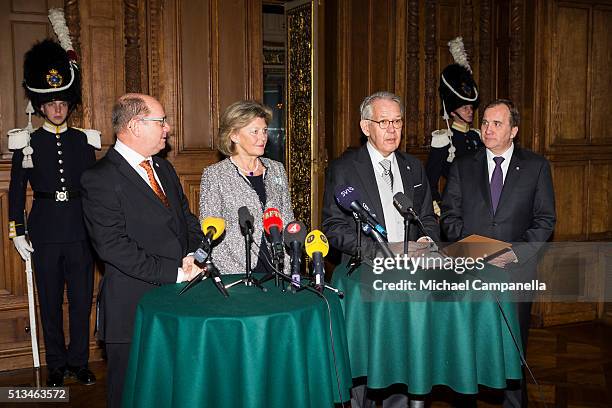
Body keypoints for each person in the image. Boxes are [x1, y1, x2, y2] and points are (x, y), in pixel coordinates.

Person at [80, 93, 204, 408]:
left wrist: (192, 255)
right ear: (136, 125)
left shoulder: (164, 169)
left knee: (175, 391)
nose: (168, 128)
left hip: (178, 303)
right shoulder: (99, 178)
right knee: (131, 395)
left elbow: (187, 221)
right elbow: (114, 247)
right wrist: (175, 273)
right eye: (161, 121)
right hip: (132, 309)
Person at [321, 91, 439, 408]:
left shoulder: (414, 168)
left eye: (397, 121)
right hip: (365, 275)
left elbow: (427, 217)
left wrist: (428, 242)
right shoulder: (344, 169)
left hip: (411, 280)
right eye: (384, 121)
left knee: (405, 356)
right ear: (365, 126)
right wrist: (383, 249)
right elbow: (334, 228)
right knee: (365, 362)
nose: (392, 129)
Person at [440, 99, 556, 407]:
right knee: (467, 350)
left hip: (515, 274)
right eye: (485, 123)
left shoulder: (536, 166)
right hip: (469, 274)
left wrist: (514, 254)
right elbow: (449, 217)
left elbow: (545, 221)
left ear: (513, 130)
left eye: (496, 124)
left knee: (512, 352)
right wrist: (473, 250)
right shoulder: (463, 166)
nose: (488, 129)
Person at [8, 37, 100, 387]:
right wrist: (17, 231)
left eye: (62, 102)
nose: (58, 109)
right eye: (51, 103)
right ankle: (57, 365)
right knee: (49, 303)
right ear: (41, 106)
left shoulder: (83, 142)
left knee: (80, 302)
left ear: (69, 105)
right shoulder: (27, 143)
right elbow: (16, 192)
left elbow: (92, 190)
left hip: (80, 232)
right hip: (44, 233)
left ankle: (80, 362)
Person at [199, 100, 294, 275]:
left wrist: (289, 261)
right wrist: (231, 273)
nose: (263, 137)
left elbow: (287, 218)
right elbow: (210, 229)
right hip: (235, 270)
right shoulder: (215, 175)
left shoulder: (277, 169)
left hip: (278, 265)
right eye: (255, 131)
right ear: (234, 135)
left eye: (264, 131)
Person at [426, 37, 483, 210]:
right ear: (452, 111)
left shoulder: (477, 136)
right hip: (455, 206)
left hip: (480, 205)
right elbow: (431, 179)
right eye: (464, 107)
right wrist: (438, 207)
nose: (470, 111)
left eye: (471, 107)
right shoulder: (444, 140)